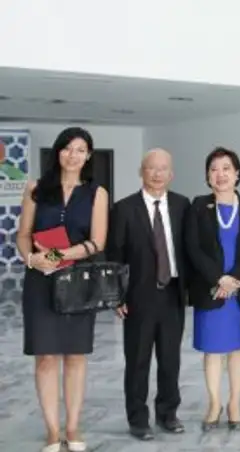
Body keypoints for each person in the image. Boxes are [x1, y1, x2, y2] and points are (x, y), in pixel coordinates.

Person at [16, 127, 109, 452]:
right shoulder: (36, 189)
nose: (73, 155)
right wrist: (31, 258)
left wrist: (57, 255)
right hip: (40, 281)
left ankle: (73, 426)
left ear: (88, 156)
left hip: (78, 283)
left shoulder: (97, 193)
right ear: (58, 152)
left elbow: (98, 242)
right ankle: (52, 431)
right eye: (68, 148)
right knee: (45, 358)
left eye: (81, 150)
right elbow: (23, 234)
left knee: (75, 356)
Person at [106, 148, 190, 441]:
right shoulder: (124, 208)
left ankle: (168, 414)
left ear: (171, 174)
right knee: (138, 360)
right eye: (151, 168)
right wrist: (117, 295)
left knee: (170, 360)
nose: (157, 173)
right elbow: (114, 255)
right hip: (138, 297)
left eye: (163, 168)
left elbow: (190, 248)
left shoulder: (182, 205)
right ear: (141, 172)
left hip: (173, 294)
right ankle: (138, 419)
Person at [184, 147, 240, 432]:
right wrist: (218, 279)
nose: (221, 174)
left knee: (237, 349)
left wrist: (235, 278)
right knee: (213, 350)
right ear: (207, 176)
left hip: (239, 290)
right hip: (210, 289)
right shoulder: (198, 206)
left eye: (227, 168)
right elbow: (193, 247)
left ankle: (234, 403)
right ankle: (214, 403)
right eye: (214, 169)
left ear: (237, 173)